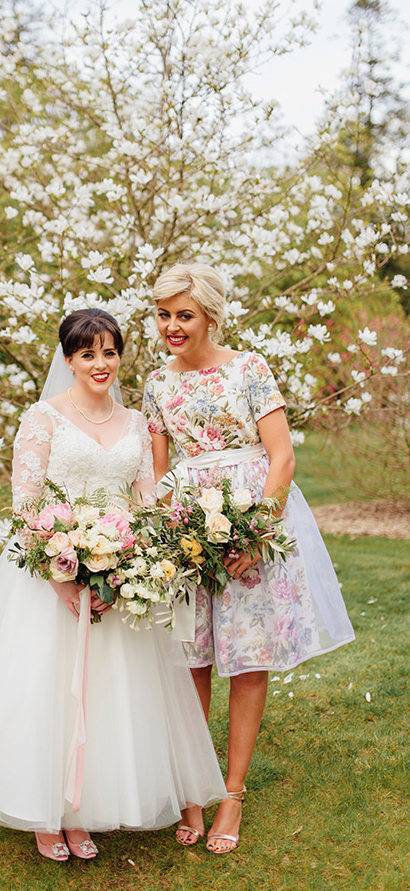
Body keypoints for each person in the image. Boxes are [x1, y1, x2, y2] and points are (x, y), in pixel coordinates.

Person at [0, 308, 226, 862]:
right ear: (68, 359)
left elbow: (146, 501)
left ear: (119, 355)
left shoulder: (134, 423)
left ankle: (82, 814)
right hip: (46, 572)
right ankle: (43, 816)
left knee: (110, 696)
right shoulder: (43, 418)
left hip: (116, 574)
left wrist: (130, 567)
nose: (99, 364)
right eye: (86, 354)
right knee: (44, 693)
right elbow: (27, 503)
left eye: (108, 352)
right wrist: (63, 577)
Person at [142, 264, 355, 855]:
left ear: (210, 313)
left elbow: (281, 456)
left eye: (184, 314)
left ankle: (231, 793)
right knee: (192, 658)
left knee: (248, 658)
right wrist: (172, 533)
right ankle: (191, 787)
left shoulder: (249, 368)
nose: (173, 327)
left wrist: (257, 532)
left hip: (250, 518)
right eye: (164, 315)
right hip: (188, 526)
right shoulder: (157, 384)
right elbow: (160, 471)